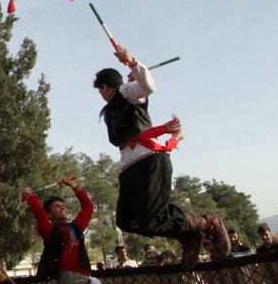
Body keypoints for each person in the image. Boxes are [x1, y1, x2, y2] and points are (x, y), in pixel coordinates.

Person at [95, 46, 229, 266]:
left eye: (100, 90)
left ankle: (206, 223)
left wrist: (131, 61)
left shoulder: (126, 92)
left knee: (152, 216)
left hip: (148, 159)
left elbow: (148, 86)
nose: (100, 95)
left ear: (105, 87)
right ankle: (186, 234)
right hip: (128, 165)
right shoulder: (111, 108)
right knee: (126, 220)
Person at [24, 178, 130, 284]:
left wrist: (75, 187)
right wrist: (29, 196)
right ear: (50, 215)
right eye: (57, 207)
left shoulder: (76, 227)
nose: (63, 208)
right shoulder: (49, 231)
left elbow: (88, 207)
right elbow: (39, 212)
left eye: (64, 206)